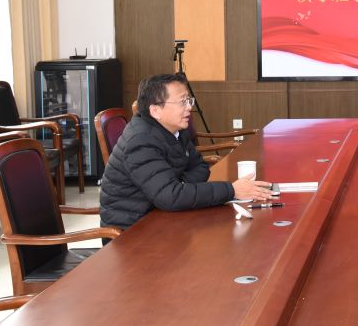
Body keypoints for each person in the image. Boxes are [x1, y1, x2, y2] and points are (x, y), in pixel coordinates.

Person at [100, 73, 274, 230]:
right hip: (131, 231)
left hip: (161, 216)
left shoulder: (175, 130)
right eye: (182, 102)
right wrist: (232, 190)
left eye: (189, 100)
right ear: (155, 110)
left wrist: (180, 187)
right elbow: (171, 197)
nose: (189, 107)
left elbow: (200, 167)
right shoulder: (140, 142)